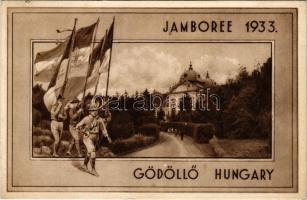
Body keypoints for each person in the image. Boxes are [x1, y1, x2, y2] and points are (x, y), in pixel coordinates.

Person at [76, 103, 112, 176]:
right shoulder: (86, 119)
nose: (95, 112)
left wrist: (107, 136)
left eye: (96, 110)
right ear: (90, 111)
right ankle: (93, 169)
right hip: (87, 138)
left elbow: (103, 128)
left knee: (89, 153)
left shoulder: (99, 119)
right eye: (93, 110)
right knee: (92, 152)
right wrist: (83, 131)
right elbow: (78, 126)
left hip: (96, 137)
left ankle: (84, 165)